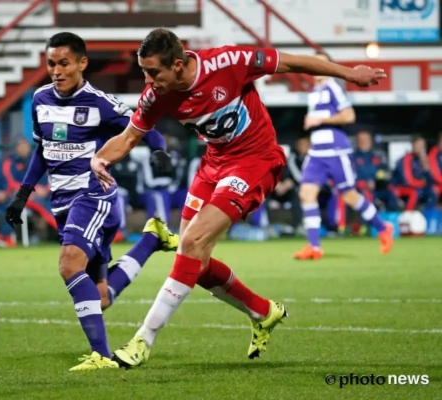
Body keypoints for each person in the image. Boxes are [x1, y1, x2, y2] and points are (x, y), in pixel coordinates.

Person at [89, 28, 387, 368]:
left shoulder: (228, 62)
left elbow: (291, 62)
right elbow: (129, 137)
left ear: (177, 64)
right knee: (195, 261)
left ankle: (143, 340)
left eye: (153, 71)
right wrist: (100, 159)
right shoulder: (156, 95)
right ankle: (263, 311)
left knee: (192, 243)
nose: (148, 80)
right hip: (214, 164)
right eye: (144, 71)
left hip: (255, 161)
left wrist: (350, 74)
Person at [3, 32, 178, 371]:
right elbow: (42, 150)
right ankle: (150, 240)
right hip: (62, 203)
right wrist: (22, 194)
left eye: (64, 63)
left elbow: (142, 124)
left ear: (82, 63)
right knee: (99, 297)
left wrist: (158, 150)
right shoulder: (40, 100)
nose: (56, 70)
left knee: (69, 264)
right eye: (51, 64)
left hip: (94, 195)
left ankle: (102, 356)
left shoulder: (99, 102)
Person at [294, 51, 393, 261]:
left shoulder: (333, 87)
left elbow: (349, 115)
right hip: (317, 152)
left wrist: (319, 120)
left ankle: (383, 228)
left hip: (335, 151)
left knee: (349, 195)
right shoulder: (314, 91)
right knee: (306, 194)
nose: (317, 67)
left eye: (321, 63)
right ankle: (314, 246)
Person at [2, 138, 57, 230]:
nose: (23, 148)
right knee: (42, 204)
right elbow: (11, 183)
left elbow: (50, 177)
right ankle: (63, 231)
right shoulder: (10, 162)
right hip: (21, 195)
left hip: (43, 193)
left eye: (25, 145)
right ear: (16, 148)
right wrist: (34, 189)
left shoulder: (38, 160)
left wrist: (46, 189)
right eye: (20, 146)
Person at [393, 135, 436, 210]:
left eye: (422, 146)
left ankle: (428, 214)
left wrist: (426, 168)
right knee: (415, 193)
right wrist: (423, 183)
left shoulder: (424, 160)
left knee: (432, 192)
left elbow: (430, 181)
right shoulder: (405, 160)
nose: (419, 148)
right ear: (413, 145)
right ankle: (408, 214)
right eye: (417, 145)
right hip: (401, 188)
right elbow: (407, 181)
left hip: (419, 188)